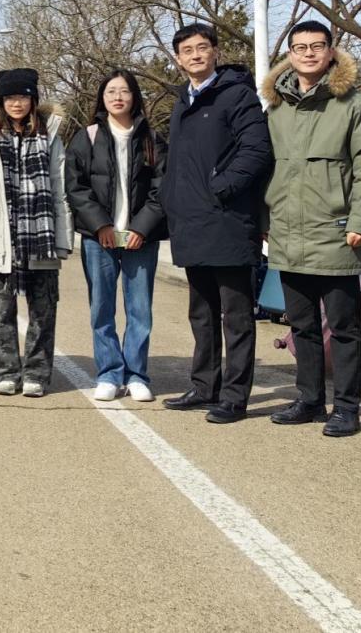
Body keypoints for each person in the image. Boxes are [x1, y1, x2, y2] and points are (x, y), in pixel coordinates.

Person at [263, 20, 361, 437]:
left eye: (317, 46)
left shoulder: (353, 104)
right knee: (301, 325)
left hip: (336, 231)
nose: (309, 54)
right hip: (287, 231)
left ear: (331, 52)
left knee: (345, 327)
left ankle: (347, 407)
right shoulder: (276, 107)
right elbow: (265, 168)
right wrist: (265, 220)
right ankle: (310, 400)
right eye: (300, 47)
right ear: (290, 54)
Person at [159, 23, 272, 423]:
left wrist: (221, 188)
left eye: (202, 47)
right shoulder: (182, 101)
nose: (195, 55)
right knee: (201, 312)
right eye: (187, 50)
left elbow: (257, 150)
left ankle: (234, 396)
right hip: (191, 222)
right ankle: (205, 386)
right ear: (178, 59)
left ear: (215, 52)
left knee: (236, 315)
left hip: (228, 220)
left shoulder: (237, 94)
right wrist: (170, 198)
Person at [0, 69, 73, 398]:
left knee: (43, 310)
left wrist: (63, 238)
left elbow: (60, 190)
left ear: (33, 99)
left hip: (41, 234)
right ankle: (7, 372)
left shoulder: (50, 136)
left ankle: (37, 373)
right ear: (1, 101)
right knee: (2, 310)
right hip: (2, 236)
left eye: (23, 97)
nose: (16, 103)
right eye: (10, 97)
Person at [65, 69, 168, 402]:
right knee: (102, 308)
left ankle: (137, 375)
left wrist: (141, 227)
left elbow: (162, 187)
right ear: (102, 98)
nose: (117, 97)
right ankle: (109, 373)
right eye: (111, 91)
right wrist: (101, 225)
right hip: (100, 239)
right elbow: (76, 187)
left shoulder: (152, 138)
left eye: (124, 91)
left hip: (141, 238)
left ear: (135, 96)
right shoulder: (87, 137)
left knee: (140, 310)